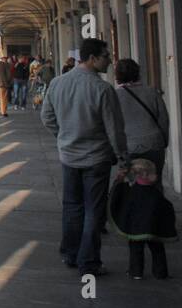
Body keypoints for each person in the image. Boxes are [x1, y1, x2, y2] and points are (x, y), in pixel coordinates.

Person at [40, 38, 129, 277]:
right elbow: (114, 128)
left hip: (69, 156)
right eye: (106, 56)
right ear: (92, 58)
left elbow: (46, 117)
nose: (110, 60)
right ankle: (88, 261)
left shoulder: (58, 83)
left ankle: (70, 253)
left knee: (72, 206)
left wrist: (63, 136)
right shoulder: (103, 89)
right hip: (96, 158)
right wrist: (123, 157)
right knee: (93, 210)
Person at [109, 157, 176, 279]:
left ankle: (136, 272)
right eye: (154, 173)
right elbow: (166, 208)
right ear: (147, 175)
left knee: (135, 249)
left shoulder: (130, 191)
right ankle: (160, 273)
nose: (156, 175)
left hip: (136, 229)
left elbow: (116, 195)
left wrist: (119, 179)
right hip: (153, 228)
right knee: (158, 249)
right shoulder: (156, 194)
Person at [114, 58, 170, 181]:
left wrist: (117, 150)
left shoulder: (115, 96)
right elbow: (164, 119)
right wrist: (164, 140)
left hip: (130, 146)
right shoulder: (152, 92)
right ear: (137, 72)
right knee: (155, 181)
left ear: (117, 75)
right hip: (154, 143)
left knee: (133, 184)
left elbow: (114, 126)